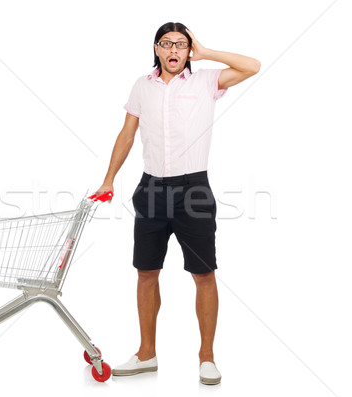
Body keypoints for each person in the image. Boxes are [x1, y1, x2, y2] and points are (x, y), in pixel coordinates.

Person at [94, 22, 260, 385]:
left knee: (203, 274)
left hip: (194, 190)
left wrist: (207, 52)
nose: (174, 50)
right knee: (146, 271)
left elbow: (253, 66)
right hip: (151, 188)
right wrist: (108, 179)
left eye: (181, 45)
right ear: (156, 48)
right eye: (167, 44)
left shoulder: (206, 81)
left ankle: (207, 358)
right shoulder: (142, 86)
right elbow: (127, 133)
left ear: (188, 50)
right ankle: (146, 354)